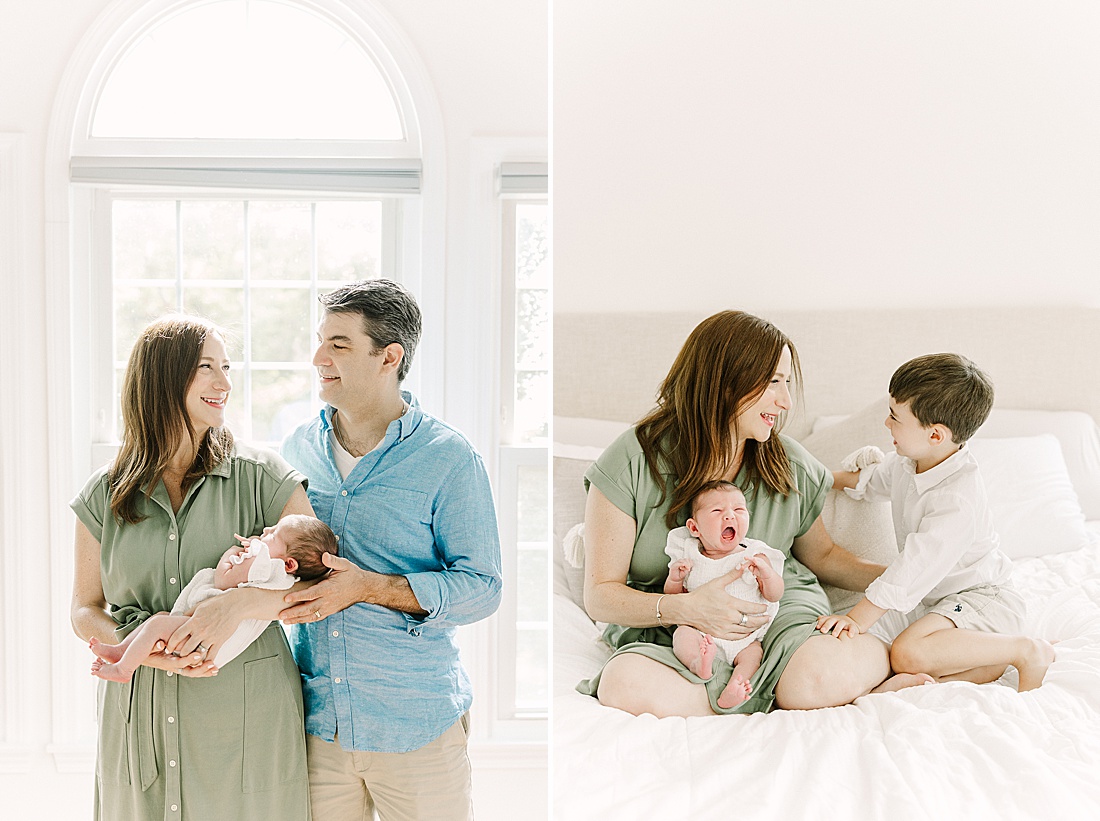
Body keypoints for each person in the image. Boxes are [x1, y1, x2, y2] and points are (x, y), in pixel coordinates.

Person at [577, 310, 934, 718]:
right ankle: (779, 695)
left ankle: (789, 686)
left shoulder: (787, 463)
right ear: (724, 382)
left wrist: (912, 577)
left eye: (786, 383)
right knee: (624, 684)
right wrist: (684, 608)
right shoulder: (631, 461)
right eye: (773, 383)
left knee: (819, 674)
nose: (785, 402)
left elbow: (823, 557)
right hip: (672, 626)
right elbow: (601, 595)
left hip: (775, 614)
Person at [70, 315, 317, 820]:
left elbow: (324, 582)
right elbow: (83, 609)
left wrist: (245, 603)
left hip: (246, 725)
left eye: (227, 367)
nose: (225, 383)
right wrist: (145, 653)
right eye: (207, 367)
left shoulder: (263, 477)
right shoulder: (104, 492)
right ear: (162, 377)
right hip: (138, 713)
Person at [277, 279, 503, 821]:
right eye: (320, 341)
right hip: (316, 727)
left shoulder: (449, 458)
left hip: (416, 725)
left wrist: (370, 587)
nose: (318, 358)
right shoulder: (296, 449)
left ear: (390, 356)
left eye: (339, 344)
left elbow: (483, 589)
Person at [816, 353, 1055, 691]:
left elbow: (912, 568)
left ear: (936, 435)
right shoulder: (909, 461)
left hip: (983, 600)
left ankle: (1026, 649)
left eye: (894, 417)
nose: (886, 424)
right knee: (897, 655)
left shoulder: (957, 499)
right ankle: (991, 662)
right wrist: (814, 478)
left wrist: (853, 620)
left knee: (907, 653)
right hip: (941, 603)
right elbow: (866, 482)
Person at [89, 515, 337, 681]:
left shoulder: (267, 567)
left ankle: (124, 668)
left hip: (211, 635)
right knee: (161, 620)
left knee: (156, 624)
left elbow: (224, 580)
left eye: (273, 536)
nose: (265, 532)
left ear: (289, 562)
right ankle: (122, 650)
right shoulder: (284, 576)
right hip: (216, 641)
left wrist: (233, 552)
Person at [662, 480, 785, 708]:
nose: (730, 516)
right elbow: (672, 599)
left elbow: (774, 595)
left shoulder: (755, 555)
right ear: (695, 528)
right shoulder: (689, 555)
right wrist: (675, 578)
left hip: (744, 639)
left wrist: (766, 574)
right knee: (682, 635)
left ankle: (734, 689)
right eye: (717, 511)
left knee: (753, 656)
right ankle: (698, 662)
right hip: (701, 632)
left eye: (738, 510)